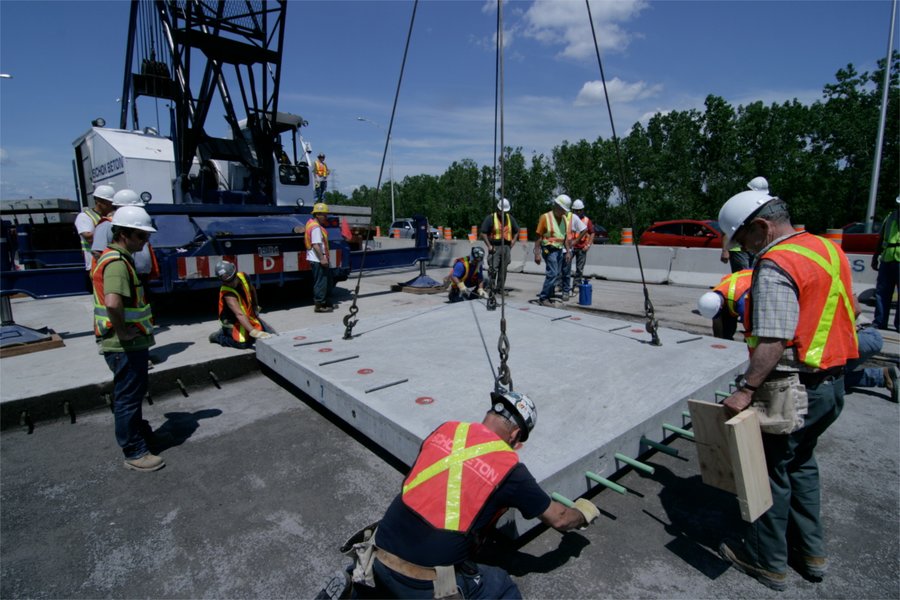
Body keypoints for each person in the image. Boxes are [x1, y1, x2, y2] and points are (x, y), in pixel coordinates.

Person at [716, 189, 858, 591]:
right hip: (831, 385)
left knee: (769, 471)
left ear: (761, 227)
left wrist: (746, 389)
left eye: (743, 239)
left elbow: (775, 340)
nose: (743, 247)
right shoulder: (827, 250)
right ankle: (810, 553)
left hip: (793, 391)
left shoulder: (777, 262)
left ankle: (766, 560)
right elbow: (855, 310)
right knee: (802, 464)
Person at [368, 390, 600, 599]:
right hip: (421, 582)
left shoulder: (446, 428)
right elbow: (559, 518)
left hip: (377, 554)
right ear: (515, 435)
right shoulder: (510, 470)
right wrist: (582, 514)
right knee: (502, 587)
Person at [92, 205, 164, 472]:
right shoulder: (117, 263)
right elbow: (112, 303)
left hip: (128, 343)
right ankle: (134, 451)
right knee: (128, 397)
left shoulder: (117, 258)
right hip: (123, 344)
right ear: (124, 234)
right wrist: (123, 331)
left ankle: (140, 435)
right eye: (141, 237)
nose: (146, 242)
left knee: (131, 394)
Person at [91, 189, 158, 280]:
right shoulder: (107, 225)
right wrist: (115, 273)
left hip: (140, 275)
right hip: (124, 275)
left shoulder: (136, 224)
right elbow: (98, 253)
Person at [209, 260, 275, 349]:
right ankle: (219, 336)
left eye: (231, 281)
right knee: (243, 344)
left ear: (235, 274)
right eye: (226, 282)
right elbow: (239, 314)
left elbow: (252, 290)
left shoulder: (244, 276)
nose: (229, 284)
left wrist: (255, 306)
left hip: (248, 317)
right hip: (233, 322)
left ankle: (249, 330)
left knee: (271, 334)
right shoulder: (227, 292)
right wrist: (253, 331)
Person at [533, 194, 585, 305]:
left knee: (557, 274)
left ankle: (548, 294)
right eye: (563, 210)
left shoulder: (564, 219)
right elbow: (538, 237)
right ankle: (543, 298)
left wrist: (568, 251)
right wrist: (537, 253)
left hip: (560, 250)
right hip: (549, 249)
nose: (564, 212)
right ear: (557, 206)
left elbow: (564, 237)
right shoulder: (545, 217)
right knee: (553, 273)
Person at [844, 296, 898, 402]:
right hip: (867, 334)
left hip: (860, 336)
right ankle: (881, 376)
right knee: (833, 377)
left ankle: (833, 383)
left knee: (823, 381)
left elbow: (856, 310)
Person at [720, 177, 766, 272]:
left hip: (753, 248)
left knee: (751, 276)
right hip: (738, 248)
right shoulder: (739, 205)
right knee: (742, 276)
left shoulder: (760, 205)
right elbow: (727, 229)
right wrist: (725, 250)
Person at [479, 198, 520, 295]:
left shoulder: (510, 218)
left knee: (503, 270)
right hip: (495, 247)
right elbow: (483, 233)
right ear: (498, 209)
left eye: (505, 211)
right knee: (493, 268)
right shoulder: (491, 218)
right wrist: (489, 246)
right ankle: (491, 288)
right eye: (502, 211)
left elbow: (517, 230)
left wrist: (512, 242)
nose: (503, 213)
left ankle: (500, 288)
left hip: (506, 247)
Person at [697, 269, 753, 341]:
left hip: (755, 283)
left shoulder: (743, 303)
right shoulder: (714, 297)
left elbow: (751, 328)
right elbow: (716, 320)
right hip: (740, 286)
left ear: (720, 307)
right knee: (725, 333)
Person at [75, 185, 115, 282]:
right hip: (96, 263)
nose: (112, 206)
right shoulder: (85, 217)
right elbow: (88, 237)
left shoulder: (111, 216)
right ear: (99, 202)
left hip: (112, 260)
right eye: (109, 203)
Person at [871, 197, 899, 332]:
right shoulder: (890, 217)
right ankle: (880, 321)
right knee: (882, 292)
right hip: (887, 258)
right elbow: (881, 237)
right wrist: (875, 256)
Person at [303, 202, 335, 313]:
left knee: (322, 281)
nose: (326, 217)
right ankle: (319, 305)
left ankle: (323, 302)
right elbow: (316, 244)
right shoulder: (316, 228)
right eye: (324, 214)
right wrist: (322, 258)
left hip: (315, 258)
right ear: (317, 215)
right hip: (318, 259)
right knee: (321, 282)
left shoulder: (310, 223)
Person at [567, 199, 595, 289]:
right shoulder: (569, 219)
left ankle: (576, 285)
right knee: (565, 267)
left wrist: (588, 245)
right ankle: (562, 285)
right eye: (576, 210)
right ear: (573, 210)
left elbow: (592, 233)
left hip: (581, 247)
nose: (578, 212)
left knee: (579, 269)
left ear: (582, 210)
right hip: (570, 247)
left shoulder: (587, 220)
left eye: (580, 210)